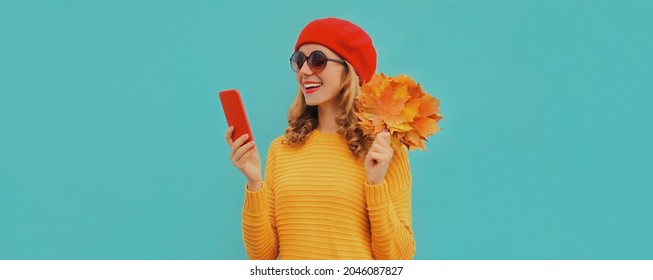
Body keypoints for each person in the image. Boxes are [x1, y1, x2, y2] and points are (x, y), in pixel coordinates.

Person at [225, 17, 415, 260]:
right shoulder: (281, 150)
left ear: (350, 70)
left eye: (317, 60)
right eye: (299, 60)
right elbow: (263, 258)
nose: (304, 71)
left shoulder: (384, 151)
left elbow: (398, 259)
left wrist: (376, 185)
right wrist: (254, 184)